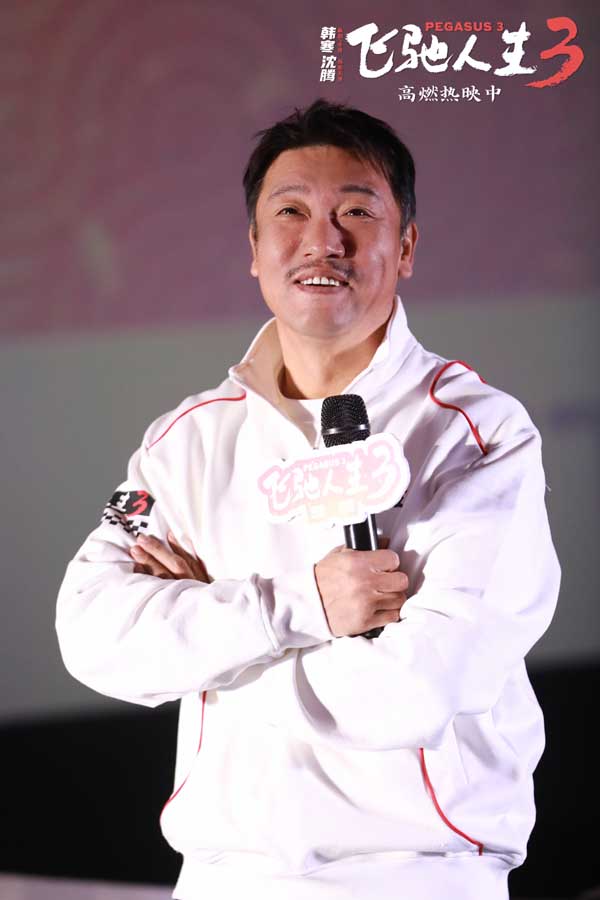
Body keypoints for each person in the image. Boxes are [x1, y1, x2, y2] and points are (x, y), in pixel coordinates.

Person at [56, 99, 560, 900]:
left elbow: (413, 692)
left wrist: (210, 647)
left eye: (356, 211)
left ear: (407, 246)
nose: (323, 240)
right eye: (290, 212)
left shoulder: (477, 433)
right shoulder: (184, 441)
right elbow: (91, 634)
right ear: (254, 250)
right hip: (222, 876)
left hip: (419, 875)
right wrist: (303, 606)